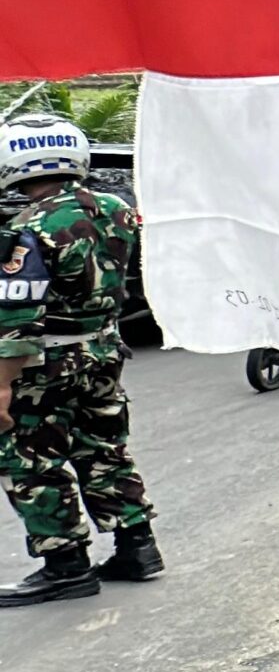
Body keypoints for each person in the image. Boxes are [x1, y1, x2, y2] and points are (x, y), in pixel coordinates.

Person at [0, 114, 159, 608]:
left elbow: (16, 315)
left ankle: (65, 565)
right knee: (104, 446)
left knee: (29, 459)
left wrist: (2, 387)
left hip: (44, 362)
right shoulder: (116, 209)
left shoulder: (27, 227)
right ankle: (137, 547)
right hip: (103, 350)